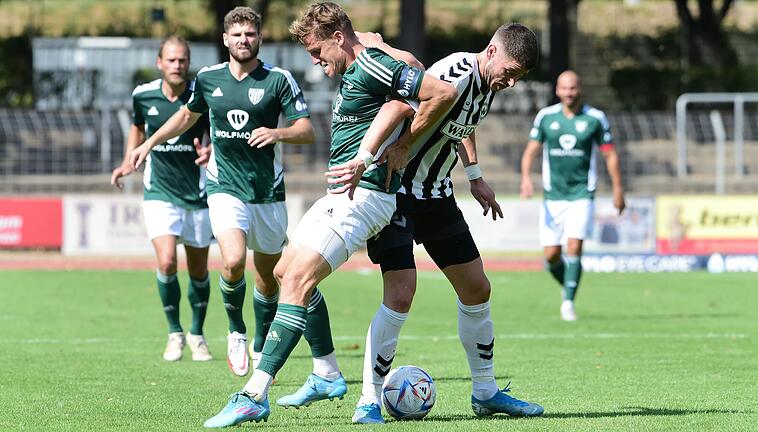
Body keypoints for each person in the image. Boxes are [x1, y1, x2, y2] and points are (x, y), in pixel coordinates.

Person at [202, 2, 458, 428]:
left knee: (298, 280)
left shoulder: (372, 64)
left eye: (317, 51)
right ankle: (325, 372)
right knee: (284, 271)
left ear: (338, 37)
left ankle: (254, 395)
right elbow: (402, 91)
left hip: (366, 197)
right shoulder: (366, 63)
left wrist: (398, 147)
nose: (316, 61)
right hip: (340, 194)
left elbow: (440, 94)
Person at [333, 24, 544, 424]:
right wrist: (396, 147)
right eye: (511, 71)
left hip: (436, 195)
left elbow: (461, 123)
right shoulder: (457, 72)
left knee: (477, 288)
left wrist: (475, 174)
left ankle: (485, 393)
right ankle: (368, 400)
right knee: (401, 293)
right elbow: (408, 103)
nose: (512, 82)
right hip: (395, 191)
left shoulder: (487, 84)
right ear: (490, 50)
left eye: (520, 77)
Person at [129, 7, 315, 376]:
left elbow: (307, 131)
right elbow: (186, 116)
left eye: (250, 34)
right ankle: (236, 331)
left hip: (266, 190)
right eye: (237, 35)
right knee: (231, 261)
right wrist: (147, 143)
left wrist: (278, 133)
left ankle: (262, 341)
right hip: (223, 185)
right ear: (225, 39)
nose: (243, 40)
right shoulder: (208, 79)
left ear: (259, 39)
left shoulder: (279, 80)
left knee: (266, 277)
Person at [110, 36, 213, 362]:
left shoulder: (202, 94)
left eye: (182, 59)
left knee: (198, 270)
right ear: (160, 63)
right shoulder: (143, 95)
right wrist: (129, 160)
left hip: (197, 192)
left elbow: (215, 131)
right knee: (167, 261)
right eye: (171, 60)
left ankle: (197, 334)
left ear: (188, 62)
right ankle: (174, 333)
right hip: (159, 191)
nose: (177, 65)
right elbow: (137, 128)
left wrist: (210, 150)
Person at [520, 70, 625, 321]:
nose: (569, 93)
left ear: (580, 89)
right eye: (564, 88)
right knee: (551, 255)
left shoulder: (595, 118)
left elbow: (610, 154)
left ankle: (568, 302)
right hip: (552, 196)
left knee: (574, 245)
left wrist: (618, 189)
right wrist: (526, 178)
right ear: (557, 90)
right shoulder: (546, 117)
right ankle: (567, 283)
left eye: (573, 88)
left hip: (582, 194)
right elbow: (530, 151)